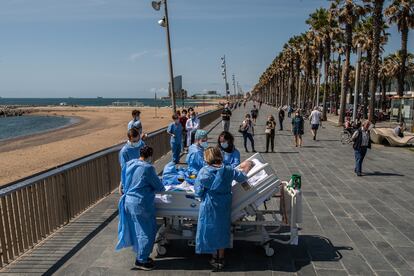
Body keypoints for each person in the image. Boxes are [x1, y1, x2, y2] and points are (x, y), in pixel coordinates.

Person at [195, 147, 247, 269]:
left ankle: (214, 256)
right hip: (224, 202)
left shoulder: (204, 172)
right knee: (222, 228)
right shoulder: (228, 170)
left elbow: (198, 191)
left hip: (210, 203)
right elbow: (242, 177)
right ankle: (221, 257)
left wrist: (201, 194)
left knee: (211, 228)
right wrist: (246, 166)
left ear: (207, 157)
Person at [116, 146, 165, 271]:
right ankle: (141, 260)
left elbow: (123, 181)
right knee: (147, 231)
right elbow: (159, 186)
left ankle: (141, 255)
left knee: (137, 230)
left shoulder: (129, 164)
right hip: (140, 204)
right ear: (150, 156)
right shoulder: (147, 168)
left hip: (128, 201)